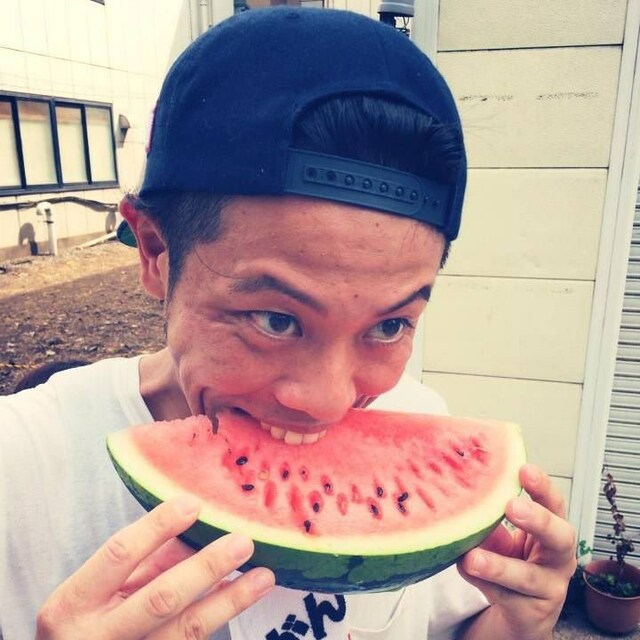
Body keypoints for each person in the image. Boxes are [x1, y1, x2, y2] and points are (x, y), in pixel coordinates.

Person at [0, 8, 576, 640]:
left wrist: (520, 621)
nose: (327, 402)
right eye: (276, 319)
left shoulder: (418, 413)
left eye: (390, 326)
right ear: (156, 253)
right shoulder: (19, 470)